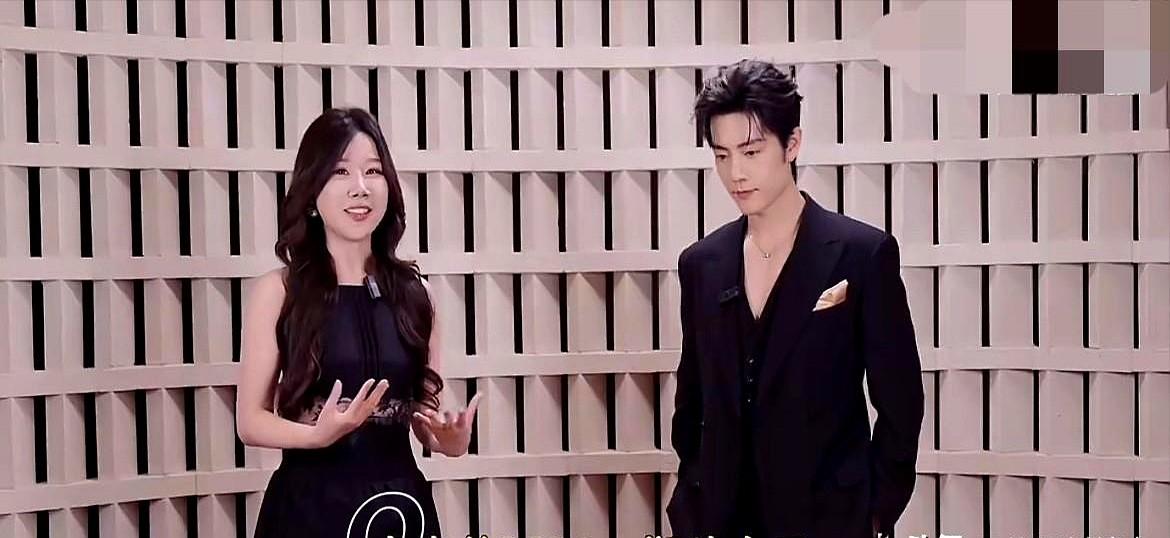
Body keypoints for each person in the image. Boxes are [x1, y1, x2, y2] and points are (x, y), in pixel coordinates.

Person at [666, 60, 925, 538]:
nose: (735, 173)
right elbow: (692, 402)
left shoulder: (862, 254)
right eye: (722, 155)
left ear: (792, 144)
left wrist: (872, 512)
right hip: (722, 522)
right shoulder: (701, 264)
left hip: (830, 521)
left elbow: (901, 402)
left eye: (751, 152)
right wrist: (691, 500)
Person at [236, 107, 478, 538]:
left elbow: (424, 417)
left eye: (373, 171)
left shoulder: (418, 295)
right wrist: (317, 436)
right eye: (341, 172)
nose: (360, 188)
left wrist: (450, 441)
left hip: (399, 508)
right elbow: (249, 421)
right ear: (312, 190)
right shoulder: (279, 291)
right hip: (309, 509)